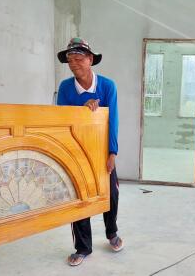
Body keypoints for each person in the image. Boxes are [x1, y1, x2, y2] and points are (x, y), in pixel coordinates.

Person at [56, 37, 123, 266]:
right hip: (76, 151)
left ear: (90, 60)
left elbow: (112, 120)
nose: (74, 63)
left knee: (110, 195)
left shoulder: (107, 86)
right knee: (79, 198)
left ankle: (112, 232)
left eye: (79, 58)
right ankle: (83, 247)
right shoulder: (66, 88)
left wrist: (112, 153)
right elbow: (61, 119)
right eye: (70, 59)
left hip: (102, 151)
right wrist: (82, 111)